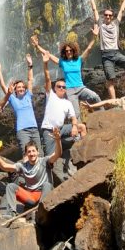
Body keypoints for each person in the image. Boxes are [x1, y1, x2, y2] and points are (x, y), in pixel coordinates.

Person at [0, 129, 62, 217]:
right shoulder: (23, 165)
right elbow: (4, 166)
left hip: (45, 195)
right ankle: (12, 212)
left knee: (47, 185)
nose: (32, 154)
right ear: (26, 154)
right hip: (31, 197)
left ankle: (42, 211)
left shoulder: (44, 161)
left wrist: (58, 140)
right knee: (10, 186)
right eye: (29, 151)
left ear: (38, 152)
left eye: (33, 151)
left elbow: (57, 154)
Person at [41, 52, 87, 184]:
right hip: (49, 132)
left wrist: (73, 126)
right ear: (55, 88)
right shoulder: (51, 96)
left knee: (81, 127)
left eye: (64, 87)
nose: (61, 88)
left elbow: (73, 117)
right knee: (50, 159)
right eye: (59, 86)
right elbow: (48, 78)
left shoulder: (68, 103)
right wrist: (45, 63)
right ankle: (48, 183)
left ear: (67, 89)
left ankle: (85, 154)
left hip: (61, 130)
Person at [30, 30, 100, 116]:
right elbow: (48, 54)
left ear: (73, 51)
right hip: (70, 90)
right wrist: (37, 46)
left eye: (70, 50)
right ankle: (77, 128)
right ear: (64, 52)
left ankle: (104, 114)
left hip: (81, 88)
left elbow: (89, 48)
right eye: (67, 51)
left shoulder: (79, 60)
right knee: (76, 113)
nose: (69, 52)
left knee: (95, 97)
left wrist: (94, 36)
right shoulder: (63, 62)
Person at [0, 56, 42, 154]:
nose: (21, 88)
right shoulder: (12, 99)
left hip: (34, 129)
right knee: (26, 154)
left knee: (39, 153)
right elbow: (3, 85)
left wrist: (30, 65)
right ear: (15, 90)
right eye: (19, 87)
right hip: (22, 131)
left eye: (23, 87)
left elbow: (30, 80)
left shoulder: (28, 95)